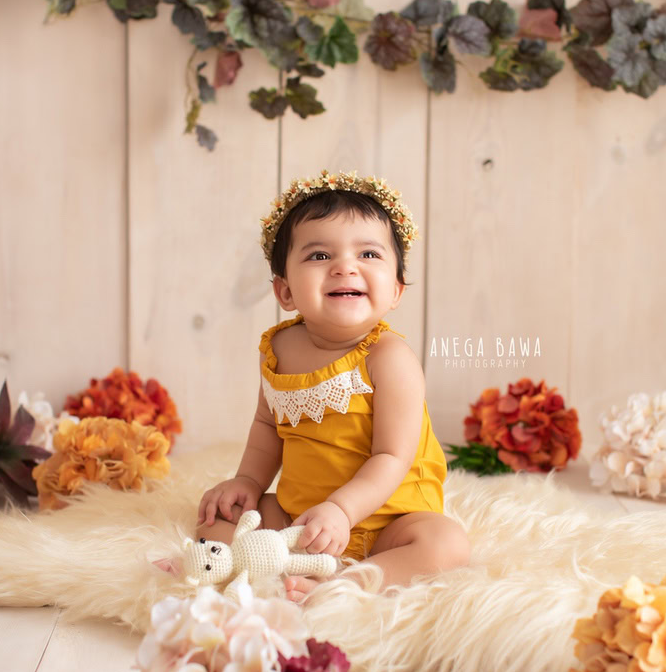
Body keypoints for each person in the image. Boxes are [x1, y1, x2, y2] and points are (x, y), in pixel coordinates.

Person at [196, 170, 470, 603]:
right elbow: (267, 426)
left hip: (386, 520)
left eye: (368, 254)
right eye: (320, 256)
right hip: (299, 514)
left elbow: (392, 456)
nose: (346, 266)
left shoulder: (390, 359)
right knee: (218, 517)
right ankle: (269, 564)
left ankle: (350, 583)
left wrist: (343, 511)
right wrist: (247, 479)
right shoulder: (280, 348)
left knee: (447, 544)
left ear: (396, 290)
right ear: (285, 291)